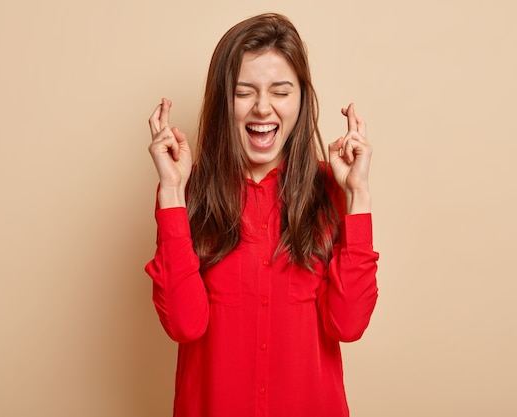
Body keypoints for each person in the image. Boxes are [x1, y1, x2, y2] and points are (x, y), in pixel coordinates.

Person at [145, 12, 379, 417]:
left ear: (301, 99)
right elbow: (184, 324)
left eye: (281, 91)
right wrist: (170, 191)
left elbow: (348, 324)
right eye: (243, 92)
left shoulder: (328, 191)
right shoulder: (187, 193)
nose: (262, 108)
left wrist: (357, 194)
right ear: (224, 101)